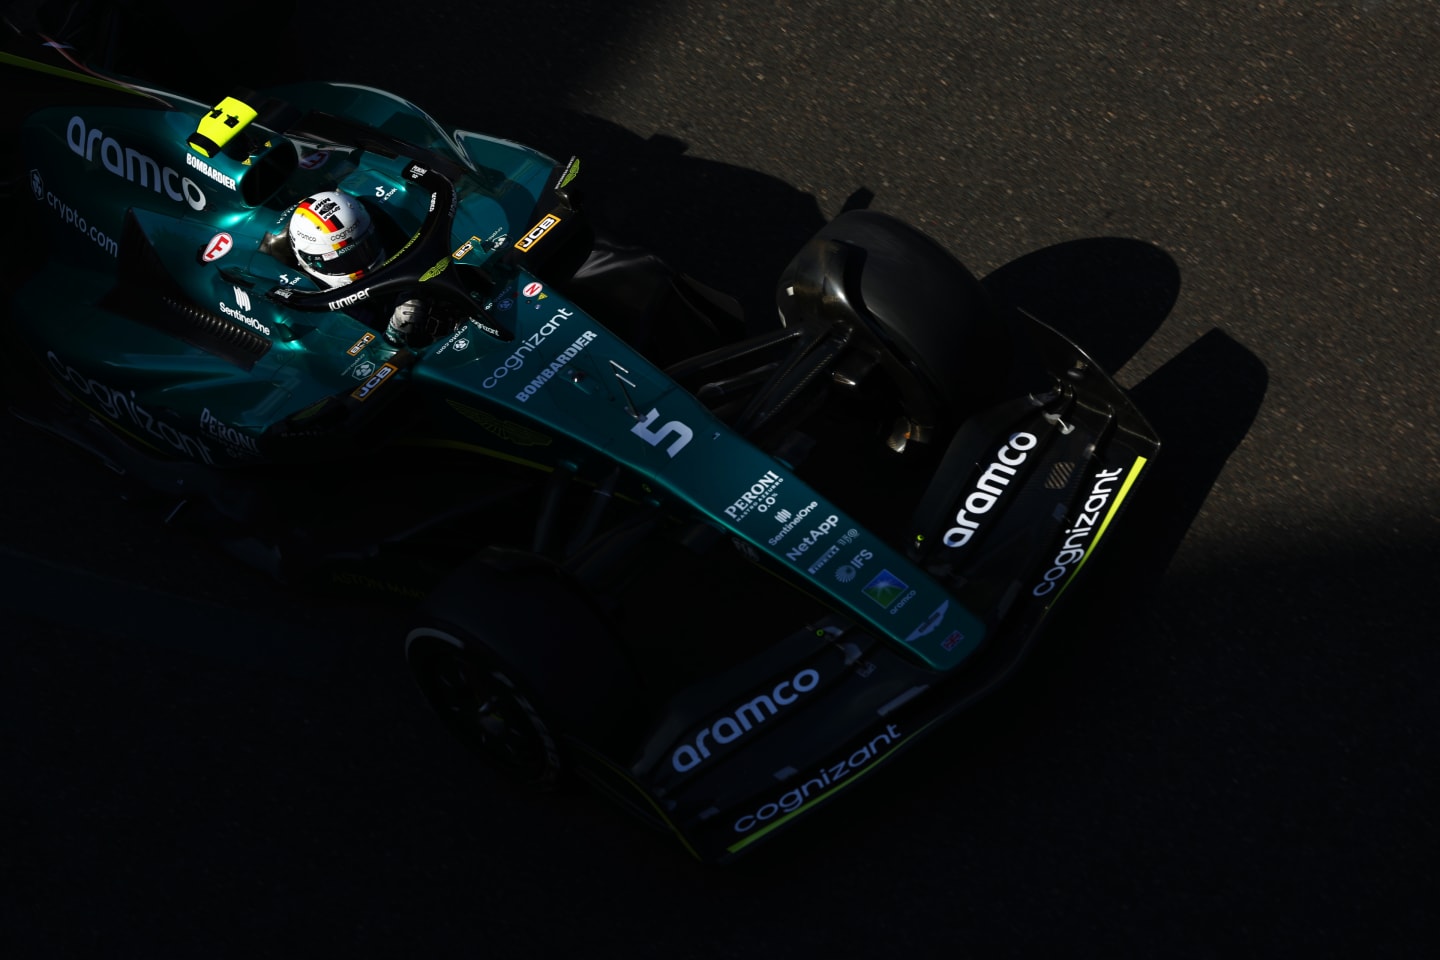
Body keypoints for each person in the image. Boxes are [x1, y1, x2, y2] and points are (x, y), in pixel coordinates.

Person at [286, 189, 437, 346]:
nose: (361, 265)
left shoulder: (389, 231)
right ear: (310, 260)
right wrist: (394, 332)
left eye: (365, 247)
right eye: (344, 260)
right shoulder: (310, 295)